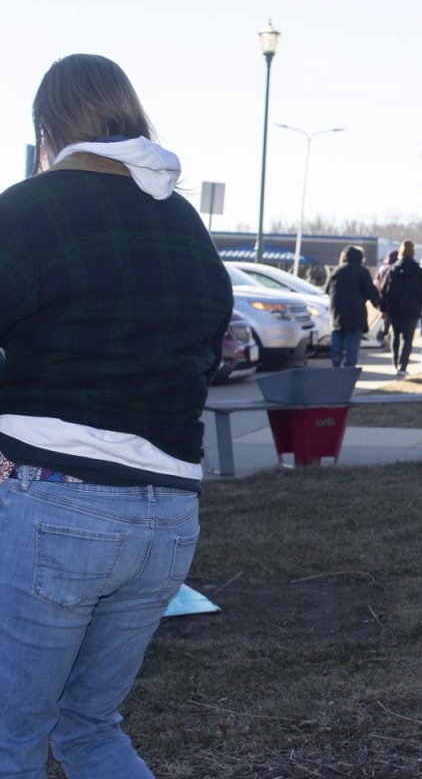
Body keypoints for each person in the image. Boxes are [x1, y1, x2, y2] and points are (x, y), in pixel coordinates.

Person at [0, 53, 233, 778]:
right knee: (90, 730)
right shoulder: (183, 221)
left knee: (12, 740)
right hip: (169, 519)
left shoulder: (31, 207)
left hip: (60, 506)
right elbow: (208, 348)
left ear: (47, 130)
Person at [379, 239, 422, 377]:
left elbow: (384, 290)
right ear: (412, 252)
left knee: (395, 336)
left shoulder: (392, 270)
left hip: (395, 309)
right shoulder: (419, 271)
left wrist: (384, 309)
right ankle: (403, 366)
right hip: (413, 309)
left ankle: (395, 364)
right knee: (407, 339)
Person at [324, 245, 380, 368]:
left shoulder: (336, 270)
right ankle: (350, 365)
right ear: (360, 258)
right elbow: (370, 292)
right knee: (353, 337)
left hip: (337, 311)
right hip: (356, 312)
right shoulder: (362, 272)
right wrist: (379, 305)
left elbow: (327, 290)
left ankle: (336, 359)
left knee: (337, 333)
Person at [374, 247, 400, 344]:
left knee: (385, 319)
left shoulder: (382, 268)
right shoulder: (397, 268)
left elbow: (376, 282)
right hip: (396, 299)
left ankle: (384, 335)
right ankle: (391, 338)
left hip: (382, 298)